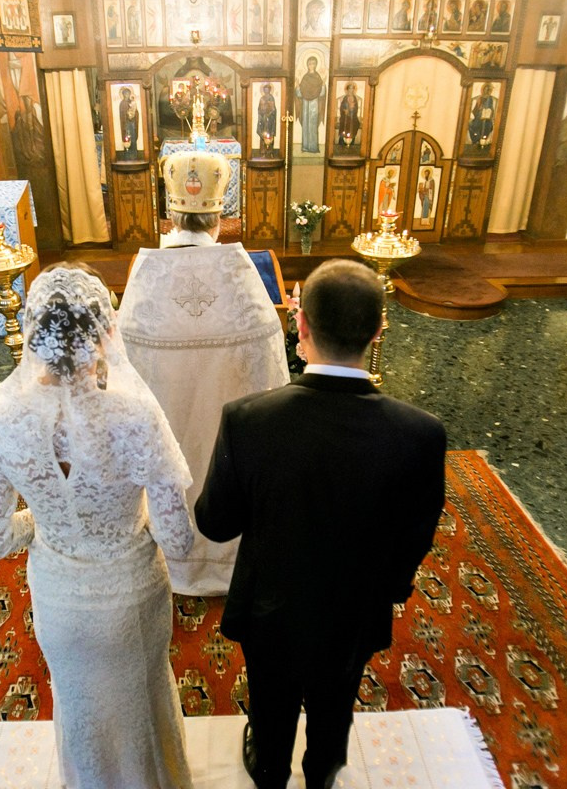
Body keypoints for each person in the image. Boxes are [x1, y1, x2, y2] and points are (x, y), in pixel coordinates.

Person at [194, 259, 446, 789]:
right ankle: (323, 772)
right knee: (335, 704)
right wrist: (387, 590)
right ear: (378, 330)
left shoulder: (248, 420)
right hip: (354, 611)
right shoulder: (420, 433)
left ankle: (268, 768)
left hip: (270, 611)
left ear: (300, 324)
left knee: (271, 702)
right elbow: (416, 535)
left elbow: (215, 525)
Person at [0, 264, 195, 789]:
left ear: (33, 336)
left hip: (61, 601)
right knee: (145, 705)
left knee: (80, 715)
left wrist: (45, 520)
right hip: (132, 593)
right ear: (103, 334)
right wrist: (128, 516)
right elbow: (178, 540)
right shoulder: (137, 413)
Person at [118, 150, 289, 596]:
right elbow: (271, 378)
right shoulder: (241, 277)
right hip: (227, 456)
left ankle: (168, 553)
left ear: (170, 215)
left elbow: (120, 377)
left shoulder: (145, 278)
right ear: (219, 219)